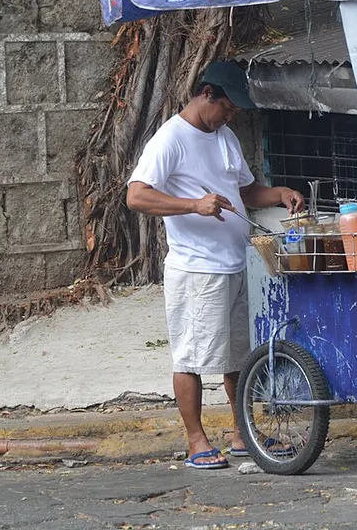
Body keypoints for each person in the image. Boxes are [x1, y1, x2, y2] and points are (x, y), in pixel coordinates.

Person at [126, 61, 304, 471]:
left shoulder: (224, 136)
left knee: (238, 357)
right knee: (191, 357)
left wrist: (278, 193)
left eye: (235, 110)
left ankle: (243, 434)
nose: (230, 115)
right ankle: (196, 440)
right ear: (206, 94)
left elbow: (244, 190)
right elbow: (136, 197)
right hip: (196, 270)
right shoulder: (170, 139)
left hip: (235, 263)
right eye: (226, 106)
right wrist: (193, 205)